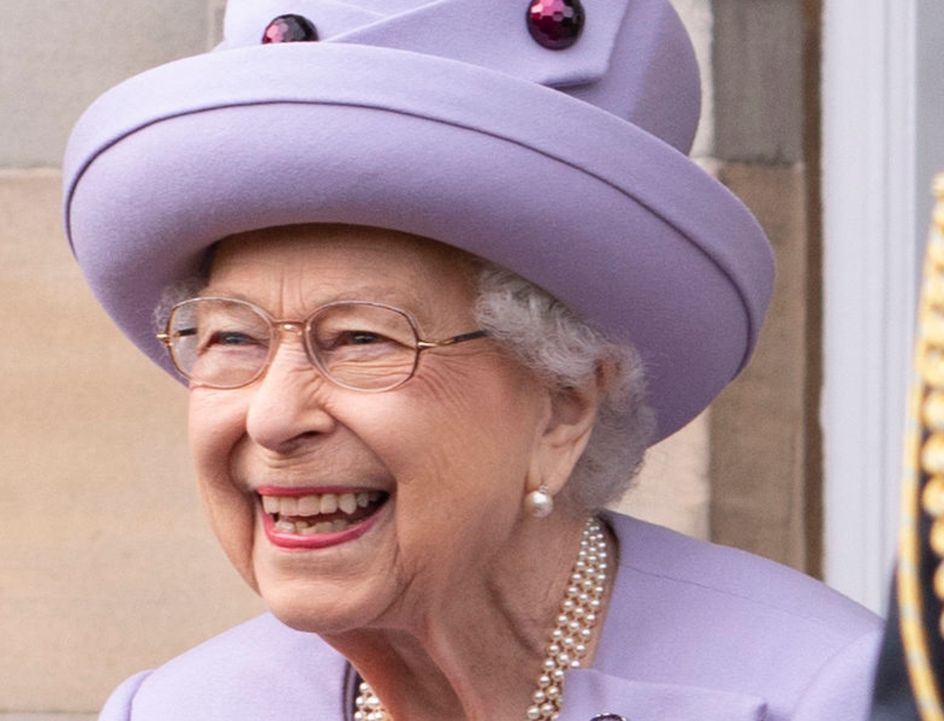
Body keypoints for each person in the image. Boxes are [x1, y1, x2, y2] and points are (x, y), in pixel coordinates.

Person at [61, 0, 883, 718]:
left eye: (361, 338)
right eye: (232, 337)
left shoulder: (831, 695)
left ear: (563, 404)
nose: (274, 417)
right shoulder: (177, 708)